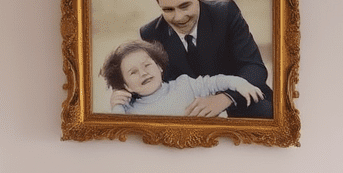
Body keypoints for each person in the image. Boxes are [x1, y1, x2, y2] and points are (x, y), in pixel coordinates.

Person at [137, 0, 273, 118]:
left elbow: (254, 67)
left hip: (241, 100)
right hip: (190, 112)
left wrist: (224, 98)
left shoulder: (226, 12)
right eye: (168, 10)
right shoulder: (150, 33)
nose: (179, 17)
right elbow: (154, 85)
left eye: (185, 6)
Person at [100, 41, 256, 118]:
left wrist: (238, 83)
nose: (143, 73)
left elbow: (214, 82)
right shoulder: (130, 110)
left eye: (147, 65)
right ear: (126, 86)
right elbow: (121, 136)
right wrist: (116, 105)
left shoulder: (185, 84)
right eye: (133, 72)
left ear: (160, 67)